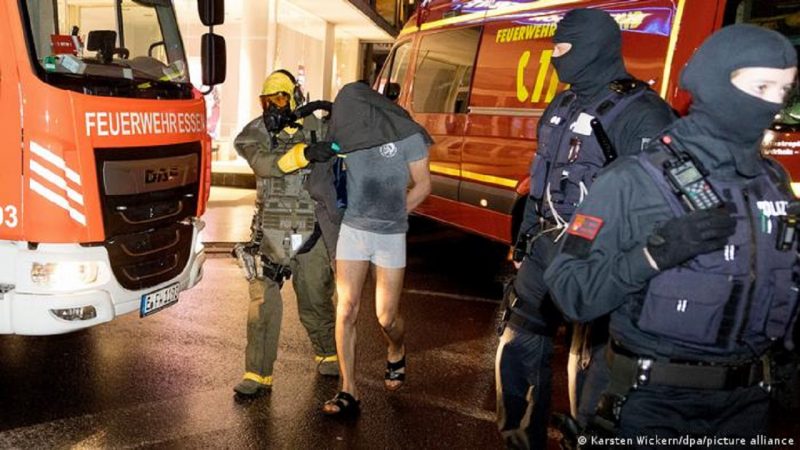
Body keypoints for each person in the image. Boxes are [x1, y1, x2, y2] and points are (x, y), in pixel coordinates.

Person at [544, 24, 799, 442]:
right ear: (715, 81)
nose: (770, 103)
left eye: (782, 91)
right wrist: (652, 256)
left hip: (748, 407)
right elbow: (571, 292)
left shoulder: (772, 181)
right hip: (651, 405)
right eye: (760, 86)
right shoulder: (632, 180)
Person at [495, 8, 675, 449]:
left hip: (601, 259)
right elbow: (542, 177)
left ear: (593, 48)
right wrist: (523, 240)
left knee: (592, 368)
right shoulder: (562, 104)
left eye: (563, 48)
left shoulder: (645, 114)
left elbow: (660, 203)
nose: (555, 57)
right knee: (516, 348)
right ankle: (521, 441)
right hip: (544, 251)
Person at [318, 82, 432, 416]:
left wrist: (398, 212)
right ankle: (348, 390)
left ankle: (396, 348)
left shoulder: (406, 133)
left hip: (390, 235)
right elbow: (324, 154)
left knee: (386, 317)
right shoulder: (347, 136)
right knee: (346, 308)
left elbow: (424, 184)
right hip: (354, 230)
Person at [231, 69, 339, 398]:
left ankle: (329, 355)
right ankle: (257, 373)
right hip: (270, 233)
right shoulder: (255, 132)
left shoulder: (318, 127)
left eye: (279, 98)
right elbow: (264, 164)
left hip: (311, 230)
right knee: (262, 305)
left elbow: (346, 149)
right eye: (267, 100)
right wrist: (305, 153)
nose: (272, 107)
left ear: (295, 98)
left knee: (316, 298)